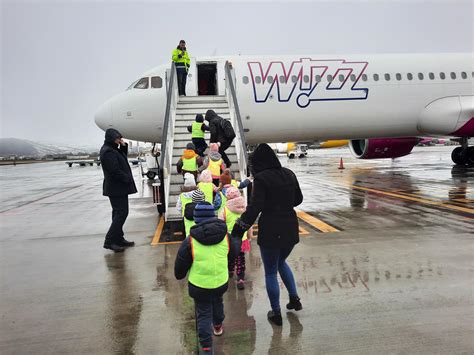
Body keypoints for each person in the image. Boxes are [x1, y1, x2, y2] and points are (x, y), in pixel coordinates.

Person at [230, 143, 303, 326]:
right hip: (291, 228)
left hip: (271, 229)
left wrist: (239, 228)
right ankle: (294, 299)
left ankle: (276, 312)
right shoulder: (289, 173)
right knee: (281, 262)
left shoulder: (261, 179)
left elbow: (255, 208)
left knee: (270, 271)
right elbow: (298, 199)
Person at [175, 202, 235, 354]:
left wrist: (180, 275)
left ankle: (207, 346)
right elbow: (232, 254)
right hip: (220, 281)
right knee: (218, 301)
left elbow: (181, 266)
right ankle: (218, 325)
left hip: (199, 285)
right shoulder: (226, 236)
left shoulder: (190, 240)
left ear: (196, 219)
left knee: (203, 313)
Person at [100, 128, 137, 252]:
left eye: (120, 138)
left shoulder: (113, 149)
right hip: (116, 188)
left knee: (118, 213)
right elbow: (114, 170)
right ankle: (109, 241)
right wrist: (126, 178)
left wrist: (124, 146)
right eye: (117, 138)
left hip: (119, 188)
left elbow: (122, 157)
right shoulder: (108, 152)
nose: (119, 140)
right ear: (111, 138)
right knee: (121, 213)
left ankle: (118, 238)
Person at [218, 186, 252, 290]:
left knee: (230, 256)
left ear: (227, 197)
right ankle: (240, 278)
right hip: (242, 238)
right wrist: (249, 236)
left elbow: (220, 225)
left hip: (229, 239)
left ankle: (230, 270)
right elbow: (249, 224)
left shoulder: (224, 210)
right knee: (241, 258)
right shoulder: (245, 209)